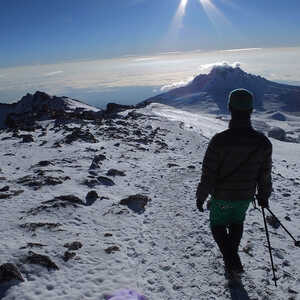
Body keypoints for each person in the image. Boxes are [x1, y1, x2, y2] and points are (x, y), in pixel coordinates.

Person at [196, 88, 272, 277]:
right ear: (251, 110)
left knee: (217, 225)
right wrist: (263, 196)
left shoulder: (219, 141)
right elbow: (265, 174)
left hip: (221, 195)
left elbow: (208, 174)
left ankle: (231, 259)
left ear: (229, 108)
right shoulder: (262, 142)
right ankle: (232, 259)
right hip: (245, 195)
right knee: (237, 221)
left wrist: (201, 195)